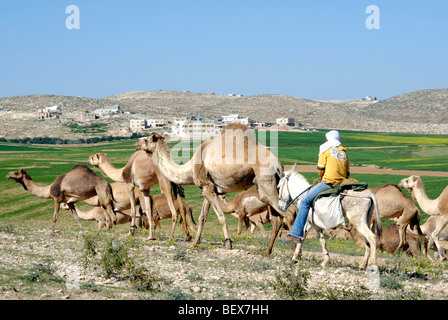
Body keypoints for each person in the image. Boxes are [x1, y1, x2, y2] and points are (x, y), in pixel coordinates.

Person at [284, 130, 350, 242]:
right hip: (343, 182)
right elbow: (347, 172)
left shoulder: (325, 150)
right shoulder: (344, 151)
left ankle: (295, 234)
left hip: (329, 182)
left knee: (305, 201)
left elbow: (320, 169)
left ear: (327, 139)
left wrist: (323, 176)